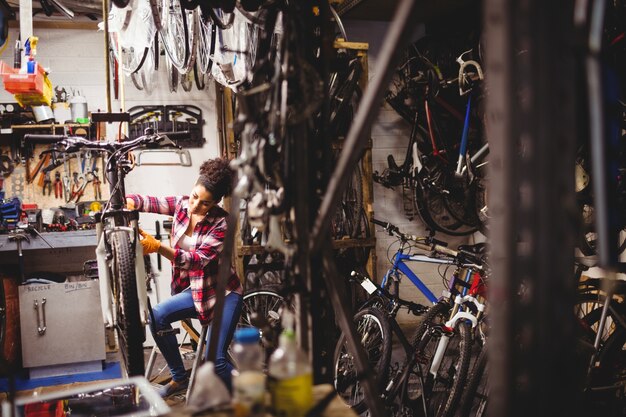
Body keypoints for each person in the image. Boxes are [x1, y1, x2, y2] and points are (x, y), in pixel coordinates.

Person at [126, 157, 243, 397]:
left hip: (224, 295)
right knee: (157, 317)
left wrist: (158, 247)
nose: (196, 205)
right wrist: (128, 202)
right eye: (194, 197)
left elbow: (197, 260)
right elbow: (149, 201)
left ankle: (251, 401)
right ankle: (179, 378)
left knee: (215, 360)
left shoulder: (222, 223)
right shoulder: (181, 205)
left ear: (216, 203)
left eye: (205, 203)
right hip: (197, 291)